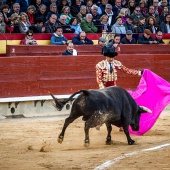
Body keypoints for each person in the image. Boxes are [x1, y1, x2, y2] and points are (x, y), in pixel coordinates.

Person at [96, 46, 142, 131]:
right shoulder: (100, 65)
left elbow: (127, 70)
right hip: (104, 89)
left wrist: (139, 72)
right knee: (102, 106)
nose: (111, 59)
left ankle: (122, 125)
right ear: (106, 56)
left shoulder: (117, 63)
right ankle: (99, 122)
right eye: (110, 57)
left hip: (114, 89)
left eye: (112, 57)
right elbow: (99, 79)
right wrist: (103, 90)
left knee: (120, 106)